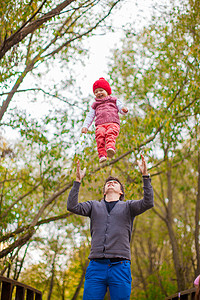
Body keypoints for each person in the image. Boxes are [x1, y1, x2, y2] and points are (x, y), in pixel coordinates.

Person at [67, 154, 154, 300]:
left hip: (120, 266)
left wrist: (145, 175)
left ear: (121, 192)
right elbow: (72, 206)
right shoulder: (94, 206)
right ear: (104, 191)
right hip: (96, 266)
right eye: (108, 182)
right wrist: (77, 181)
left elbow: (148, 202)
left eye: (115, 182)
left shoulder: (128, 206)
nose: (111, 183)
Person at [81, 77, 128, 163]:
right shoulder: (95, 105)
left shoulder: (114, 100)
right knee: (99, 137)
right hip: (100, 125)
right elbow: (90, 116)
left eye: (101, 90)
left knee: (111, 133)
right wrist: (85, 126)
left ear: (107, 91)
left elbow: (120, 107)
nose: (98, 93)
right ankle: (102, 155)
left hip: (112, 122)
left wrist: (123, 110)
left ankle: (110, 148)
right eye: (96, 92)